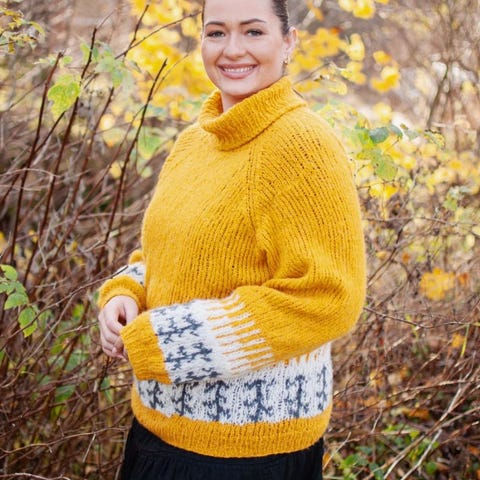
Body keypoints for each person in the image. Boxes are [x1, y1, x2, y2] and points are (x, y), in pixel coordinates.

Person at [97, 0, 366, 478]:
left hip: (246, 455)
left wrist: (166, 342)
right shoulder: (195, 141)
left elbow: (328, 297)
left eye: (253, 31)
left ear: (288, 42)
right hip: (156, 432)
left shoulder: (302, 145)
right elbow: (164, 254)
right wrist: (125, 293)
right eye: (216, 32)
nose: (232, 49)